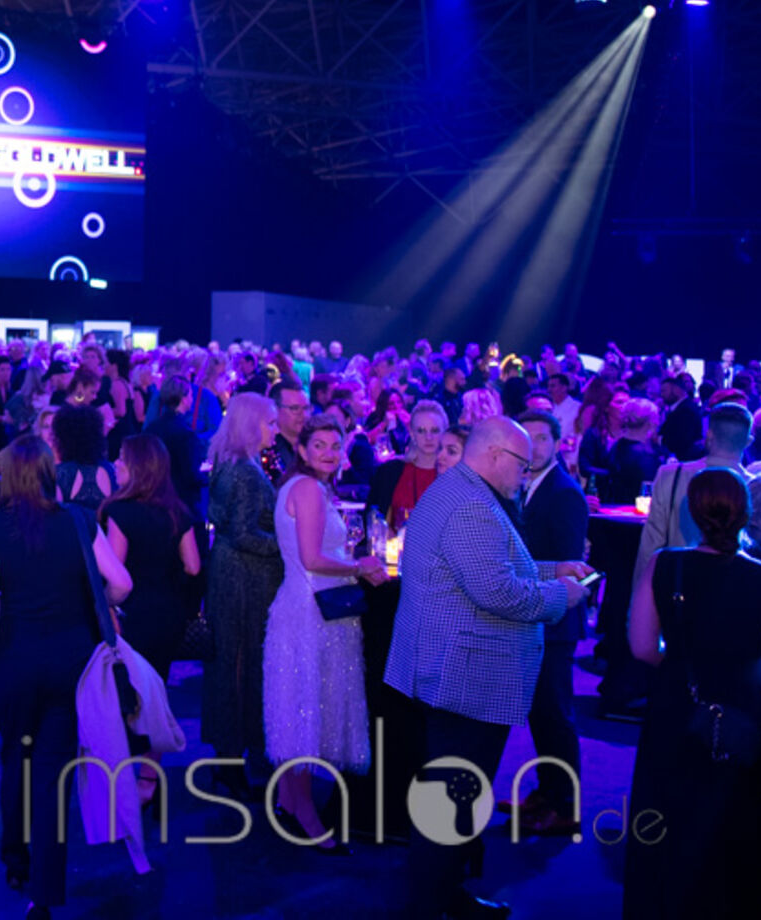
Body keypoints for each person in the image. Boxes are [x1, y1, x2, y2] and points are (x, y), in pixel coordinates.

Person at [386, 417, 592, 920]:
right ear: (497, 455)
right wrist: (560, 595)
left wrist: (553, 569)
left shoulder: (458, 489)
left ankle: (444, 896)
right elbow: (498, 592)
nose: (525, 474)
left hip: (449, 669)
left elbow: (489, 567)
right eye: (522, 465)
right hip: (463, 676)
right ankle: (428, 906)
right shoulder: (473, 505)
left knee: (454, 798)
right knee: (451, 802)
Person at [0, 433, 131, 919]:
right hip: (71, 664)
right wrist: (96, 602)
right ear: (47, 473)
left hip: (13, 663)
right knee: (52, 773)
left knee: (15, 758)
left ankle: (15, 858)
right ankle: (42, 895)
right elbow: (121, 584)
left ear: (6, 476)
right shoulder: (78, 520)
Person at [624, 469, 761, 919]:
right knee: (727, 835)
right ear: (746, 513)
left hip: (675, 707)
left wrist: (680, 664)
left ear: (692, 512)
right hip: (742, 716)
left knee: (663, 826)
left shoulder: (664, 564)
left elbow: (641, 647)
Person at [264, 414, 385, 846]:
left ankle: (290, 802)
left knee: (297, 709)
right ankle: (305, 816)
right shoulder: (308, 490)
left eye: (336, 446)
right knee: (303, 713)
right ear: (301, 450)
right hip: (310, 613)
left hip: (306, 608)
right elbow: (313, 559)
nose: (329, 453)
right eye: (319, 446)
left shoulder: (306, 487)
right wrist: (360, 566)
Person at [505, 408, 591, 836]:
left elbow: (569, 563)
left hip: (555, 619)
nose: (534, 446)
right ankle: (548, 792)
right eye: (528, 437)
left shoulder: (563, 492)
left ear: (557, 443)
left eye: (542, 438)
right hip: (537, 613)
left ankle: (566, 806)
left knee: (555, 713)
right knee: (541, 713)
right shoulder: (527, 485)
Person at [202, 391, 283, 792]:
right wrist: (287, 544)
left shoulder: (229, 462)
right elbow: (244, 533)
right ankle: (234, 762)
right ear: (253, 425)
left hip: (229, 573)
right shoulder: (247, 473)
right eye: (271, 422)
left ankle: (227, 757)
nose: (276, 430)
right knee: (241, 665)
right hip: (244, 581)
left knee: (228, 664)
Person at [100, 432, 199, 682]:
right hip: (170, 612)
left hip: (133, 614)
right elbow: (193, 566)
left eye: (122, 458)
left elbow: (115, 570)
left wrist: (105, 603)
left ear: (139, 467)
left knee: (133, 688)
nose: (116, 463)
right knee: (158, 684)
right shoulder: (177, 510)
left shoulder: (119, 512)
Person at [635, 402, 754, 589]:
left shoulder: (671, 475)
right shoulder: (756, 487)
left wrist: (639, 595)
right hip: (734, 591)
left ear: (709, 436)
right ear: (748, 442)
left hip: (676, 586)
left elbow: (651, 543)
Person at [367, 399, 448, 530]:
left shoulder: (455, 477)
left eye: (435, 430)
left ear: (444, 433)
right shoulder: (389, 472)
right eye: (421, 430)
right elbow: (371, 520)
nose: (428, 437)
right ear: (411, 433)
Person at [145, 378, 204, 517]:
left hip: (154, 496)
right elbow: (190, 474)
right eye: (190, 395)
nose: (192, 399)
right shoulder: (186, 433)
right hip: (180, 501)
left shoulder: (152, 428)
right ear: (183, 399)